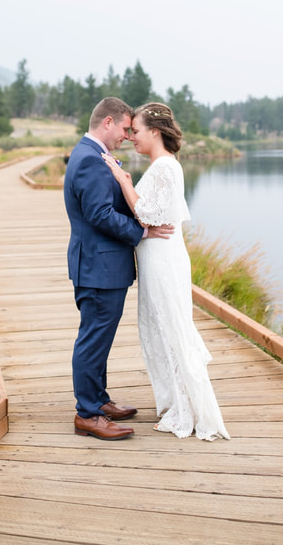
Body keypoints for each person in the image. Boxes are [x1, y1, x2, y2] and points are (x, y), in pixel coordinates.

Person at [102, 102, 230, 440]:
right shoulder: (162, 165)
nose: (132, 138)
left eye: (137, 131)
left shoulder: (163, 168)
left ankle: (185, 409)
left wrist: (122, 178)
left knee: (170, 329)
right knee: (159, 329)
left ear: (155, 132)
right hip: (156, 256)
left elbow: (145, 215)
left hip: (162, 260)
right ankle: (176, 403)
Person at [64, 97, 175, 441]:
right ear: (107, 123)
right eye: (125, 128)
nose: (127, 136)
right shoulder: (89, 161)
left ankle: (98, 400)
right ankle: (88, 414)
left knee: (100, 338)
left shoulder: (94, 156)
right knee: (93, 339)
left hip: (103, 265)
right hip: (98, 266)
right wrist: (143, 230)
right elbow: (100, 214)